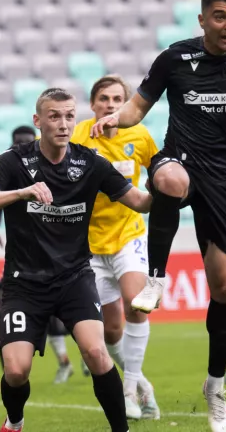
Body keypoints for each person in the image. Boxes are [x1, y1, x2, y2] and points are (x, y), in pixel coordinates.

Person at [91, 0, 226, 431]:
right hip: (182, 161)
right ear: (203, 20)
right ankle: (157, 279)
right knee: (166, 178)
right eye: (221, 16)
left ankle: (214, 386)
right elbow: (136, 108)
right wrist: (114, 118)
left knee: (225, 290)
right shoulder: (174, 59)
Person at [0, 88, 154, 432]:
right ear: (38, 121)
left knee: (97, 354)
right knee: (16, 370)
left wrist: (172, 186)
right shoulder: (14, 161)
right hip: (24, 283)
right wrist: (22, 192)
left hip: (74, 278)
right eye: (54, 116)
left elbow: (140, 202)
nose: (63, 123)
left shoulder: (90, 162)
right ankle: (14, 421)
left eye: (70, 116)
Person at [71, 75, 161, 420]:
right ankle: (142, 386)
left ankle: (128, 391)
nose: (110, 105)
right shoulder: (77, 135)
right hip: (89, 245)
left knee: (137, 305)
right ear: (93, 105)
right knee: (109, 331)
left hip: (129, 234)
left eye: (117, 99)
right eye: (104, 99)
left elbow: (159, 175)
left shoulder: (139, 136)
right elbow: (40, 153)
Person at [0, 127, 84, 392]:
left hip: (63, 263)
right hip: (25, 266)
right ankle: (58, 362)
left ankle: (83, 357)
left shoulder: (61, 169)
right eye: (18, 142)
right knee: (15, 313)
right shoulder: (10, 167)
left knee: (68, 318)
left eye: (26, 141)